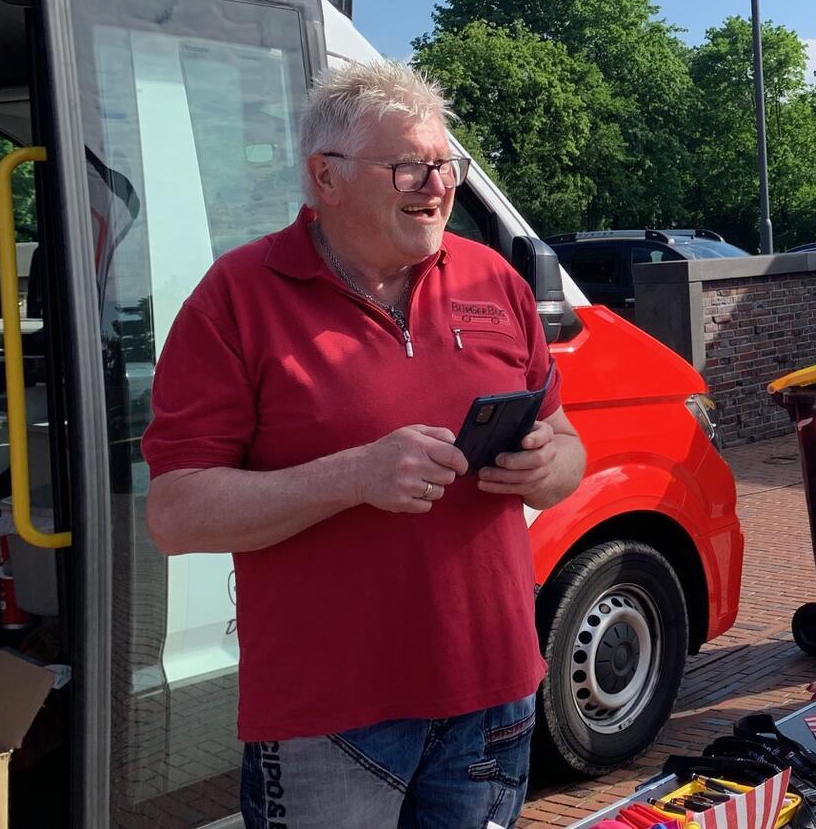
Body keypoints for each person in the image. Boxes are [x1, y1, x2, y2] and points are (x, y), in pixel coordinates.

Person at [142, 61, 587, 829]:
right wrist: (353, 475)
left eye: (446, 163)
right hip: (329, 719)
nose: (437, 184)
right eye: (410, 165)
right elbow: (177, 515)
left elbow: (570, 449)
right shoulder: (236, 298)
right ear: (328, 177)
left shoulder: (494, 279)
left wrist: (548, 464)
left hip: (494, 698)